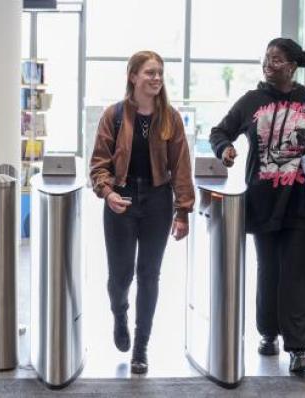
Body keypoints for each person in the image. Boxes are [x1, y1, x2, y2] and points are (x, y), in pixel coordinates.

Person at [209, 38, 305, 373]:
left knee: (297, 272)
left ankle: (298, 347)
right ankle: (268, 332)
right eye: (266, 58)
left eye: (277, 59)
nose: (269, 64)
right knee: (268, 270)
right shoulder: (252, 100)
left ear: (292, 66)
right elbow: (219, 131)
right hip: (262, 201)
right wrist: (225, 149)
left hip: (302, 202)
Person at [90, 51, 194, 374]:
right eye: (149, 72)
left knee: (149, 276)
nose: (156, 78)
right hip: (121, 199)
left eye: (160, 73)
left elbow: (180, 166)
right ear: (133, 77)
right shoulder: (114, 115)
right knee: (120, 276)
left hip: (157, 202)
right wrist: (107, 193)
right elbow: (98, 164)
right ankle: (119, 313)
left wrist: (183, 211)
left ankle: (141, 346)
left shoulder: (170, 118)